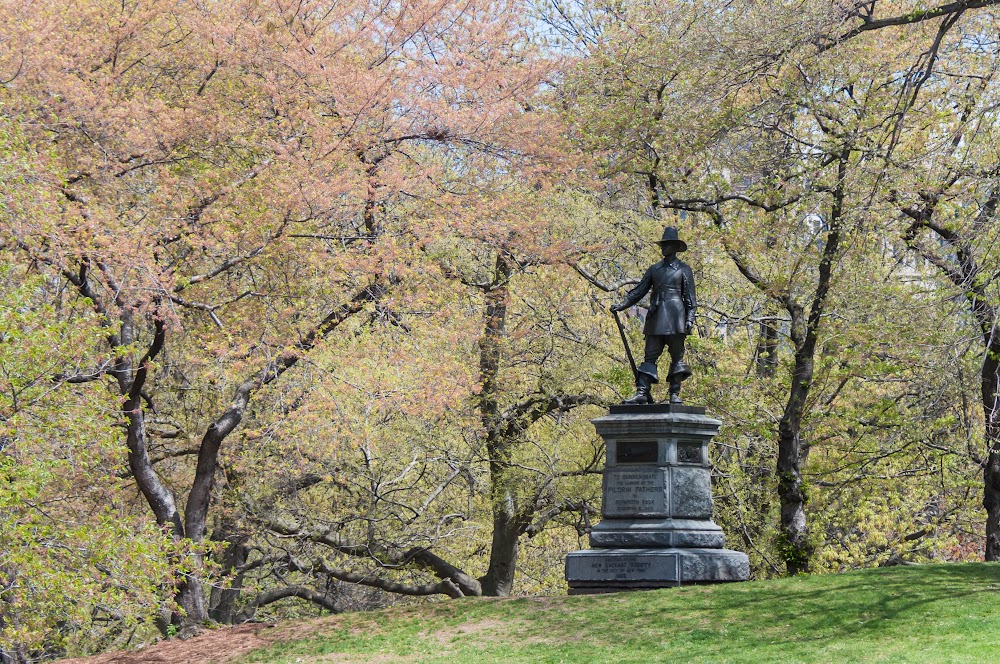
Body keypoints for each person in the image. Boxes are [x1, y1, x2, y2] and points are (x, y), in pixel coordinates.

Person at [610, 227, 697, 404]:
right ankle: (642, 392)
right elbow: (639, 291)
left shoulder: (684, 269)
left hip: (676, 316)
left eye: (666, 245)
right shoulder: (654, 269)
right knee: (650, 354)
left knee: (677, 356)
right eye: (662, 245)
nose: (663, 248)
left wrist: (689, 319)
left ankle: (674, 393)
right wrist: (621, 306)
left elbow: (690, 298)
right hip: (656, 316)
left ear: (674, 246)